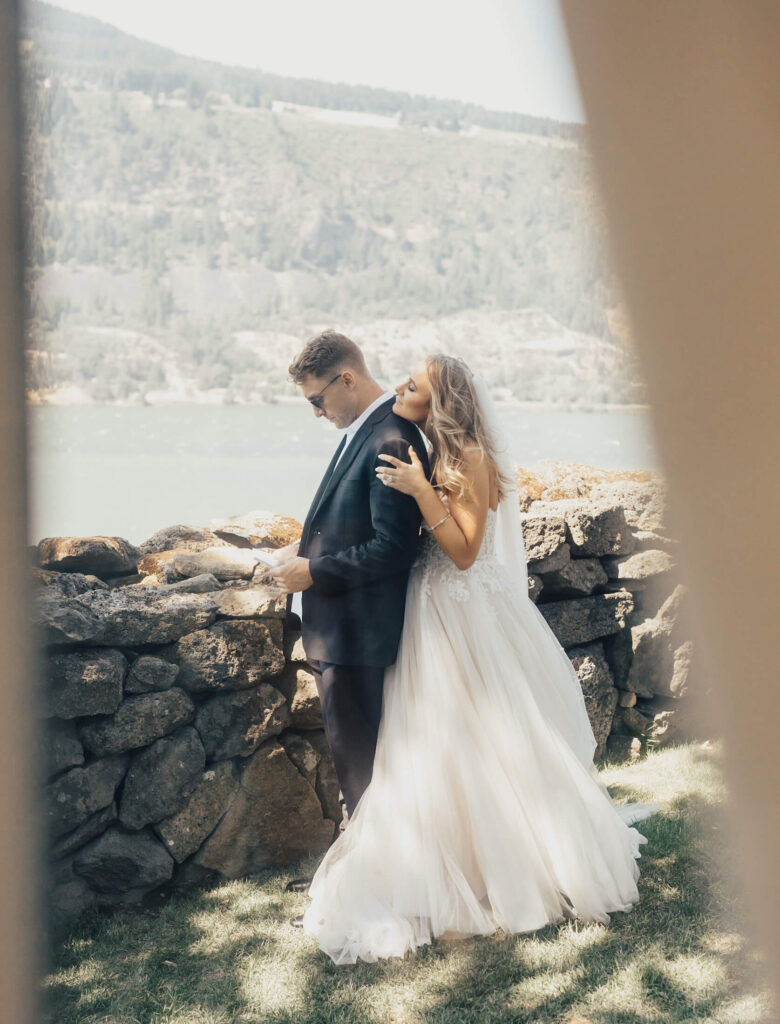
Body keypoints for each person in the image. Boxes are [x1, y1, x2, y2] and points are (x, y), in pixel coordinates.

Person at [295, 354, 660, 965]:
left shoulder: (469, 454)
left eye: (413, 386)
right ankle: (452, 864)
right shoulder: (434, 448)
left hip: (460, 610)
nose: (400, 390)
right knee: (438, 748)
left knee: (483, 742)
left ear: (441, 401)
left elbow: (463, 553)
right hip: (431, 608)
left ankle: (508, 873)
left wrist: (418, 492)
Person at [271, 330, 430, 914]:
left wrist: (313, 572)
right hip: (346, 629)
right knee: (356, 766)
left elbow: (394, 548)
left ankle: (376, 890)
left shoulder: (390, 435)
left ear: (347, 378)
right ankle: (357, 871)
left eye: (318, 399)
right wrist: (302, 548)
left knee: (362, 767)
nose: (316, 412)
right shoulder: (364, 429)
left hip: (360, 634)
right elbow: (350, 524)